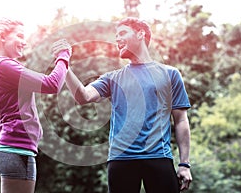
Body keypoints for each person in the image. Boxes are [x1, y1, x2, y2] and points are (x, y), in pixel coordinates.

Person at [63, 17, 192, 193]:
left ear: (140, 34)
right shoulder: (112, 78)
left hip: (158, 157)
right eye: (116, 35)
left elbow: (181, 120)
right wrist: (64, 66)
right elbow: (83, 96)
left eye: (122, 33)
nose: (117, 39)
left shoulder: (170, 74)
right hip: (121, 159)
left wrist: (184, 164)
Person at [0, 17, 72, 193]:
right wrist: (63, 56)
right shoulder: (3, 65)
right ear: (2, 36)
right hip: (17, 150)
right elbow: (52, 84)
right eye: (19, 36)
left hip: (11, 149)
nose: (24, 42)